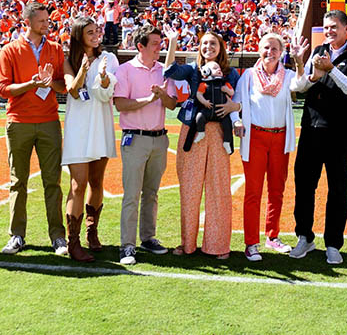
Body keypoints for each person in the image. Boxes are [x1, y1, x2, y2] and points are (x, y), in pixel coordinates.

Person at [289, 10, 347, 265]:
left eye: (334, 27)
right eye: (326, 27)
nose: (330, 31)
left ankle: (333, 243)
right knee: (304, 185)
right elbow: (299, 88)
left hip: (341, 134)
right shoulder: (317, 51)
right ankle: (304, 237)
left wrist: (331, 69)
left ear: (346, 29)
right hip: (312, 129)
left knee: (337, 188)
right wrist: (304, 67)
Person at [164, 29, 240, 259]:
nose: (208, 47)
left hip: (219, 131)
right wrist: (173, 42)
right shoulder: (192, 69)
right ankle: (187, 243)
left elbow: (239, 100)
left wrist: (234, 108)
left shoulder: (232, 73)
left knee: (218, 188)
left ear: (221, 47)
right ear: (199, 47)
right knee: (190, 188)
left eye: (213, 43)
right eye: (204, 43)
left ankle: (217, 245)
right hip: (193, 129)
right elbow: (169, 71)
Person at [234, 33, 309, 261]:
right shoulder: (248, 76)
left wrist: (298, 60)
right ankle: (251, 243)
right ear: (259, 50)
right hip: (255, 137)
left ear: (281, 52)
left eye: (275, 48)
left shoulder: (287, 76)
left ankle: (272, 235)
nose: (270, 52)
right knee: (253, 192)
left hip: (280, 138)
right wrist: (236, 120)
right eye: (267, 47)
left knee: (277, 190)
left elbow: (302, 84)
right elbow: (236, 103)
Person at [0, 2, 67, 255]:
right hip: (19, 122)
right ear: (27, 21)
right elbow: (4, 89)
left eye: (47, 20)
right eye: (41, 21)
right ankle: (17, 235)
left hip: (49, 120)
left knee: (53, 182)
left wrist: (50, 83)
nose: (46, 24)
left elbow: (63, 86)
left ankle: (58, 237)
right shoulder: (9, 50)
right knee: (18, 181)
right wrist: (31, 83)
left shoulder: (56, 49)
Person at [114, 25, 177, 265]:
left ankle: (148, 238)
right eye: (154, 44)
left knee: (151, 193)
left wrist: (162, 95)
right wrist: (149, 99)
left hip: (159, 138)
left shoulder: (164, 70)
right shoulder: (126, 70)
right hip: (135, 138)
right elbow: (120, 104)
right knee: (131, 194)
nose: (159, 47)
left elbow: (172, 104)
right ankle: (127, 246)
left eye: (160, 43)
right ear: (140, 46)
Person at [62, 17, 119, 262]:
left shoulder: (109, 59)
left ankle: (91, 233)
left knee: (97, 182)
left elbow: (107, 93)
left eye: (97, 31)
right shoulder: (69, 61)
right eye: (89, 32)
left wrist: (104, 77)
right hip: (78, 128)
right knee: (78, 184)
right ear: (79, 36)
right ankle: (72, 242)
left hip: (101, 125)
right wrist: (83, 69)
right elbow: (73, 90)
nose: (96, 35)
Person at [192, 61, 234, 155]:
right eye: (215, 68)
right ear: (207, 71)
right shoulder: (204, 84)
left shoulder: (224, 83)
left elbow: (232, 92)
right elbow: (199, 94)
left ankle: (227, 142)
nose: (218, 69)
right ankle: (201, 132)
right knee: (199, 117)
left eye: (219, 68)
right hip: (208, 111)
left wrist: (226, 90)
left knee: (227, 124)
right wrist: (204, 102)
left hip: (221, 113)